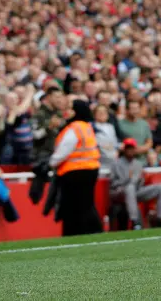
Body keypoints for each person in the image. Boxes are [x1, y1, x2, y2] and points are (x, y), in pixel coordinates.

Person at [48, 100, 103, 237]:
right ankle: (94, 231)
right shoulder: (87, 127)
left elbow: (64, 150)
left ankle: (75, 233)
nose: (68, 112)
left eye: (71, 109)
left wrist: (51, 162)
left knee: (72, 207)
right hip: (91, 169)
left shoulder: (74, 128)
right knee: (87, 204)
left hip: (74, 172)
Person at [110, 138, 161, 230]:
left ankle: (159, 218)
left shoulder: (138, 164)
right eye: (128, 148)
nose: (130, 150)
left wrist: (141, 180)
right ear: (124, 149)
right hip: (120, 192)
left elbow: (139, 183)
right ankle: (135, 221)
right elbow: (113, 184)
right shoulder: (116, 164)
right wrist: (127, 180)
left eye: (132, 148)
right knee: (130, 188)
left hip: (136, 191)